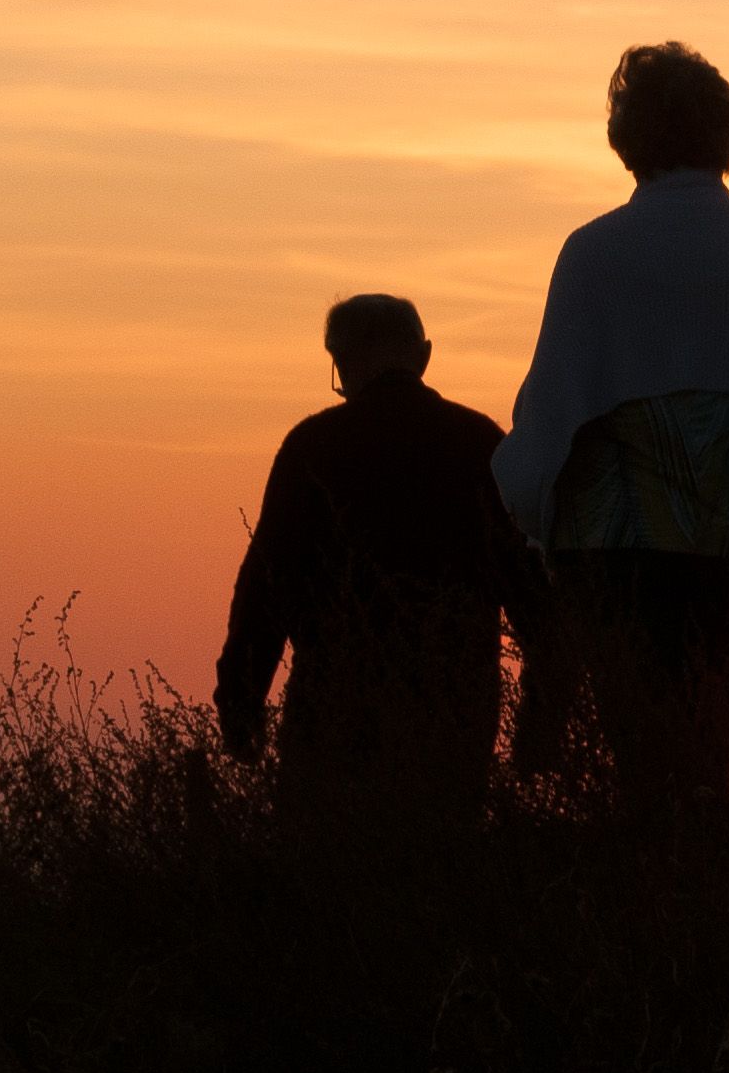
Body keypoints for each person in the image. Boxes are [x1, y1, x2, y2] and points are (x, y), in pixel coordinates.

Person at [493, 43, 729, 812]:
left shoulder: (594, 253)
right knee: (705, 726)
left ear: (627, 138)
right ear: (727, 135)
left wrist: (527, 503)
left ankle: (658, 896)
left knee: (639, 741)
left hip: (617, 549)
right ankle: (705, 887)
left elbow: (555, 404)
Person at [215, 292, 537, 815]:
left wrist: (241, 708)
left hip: (334, 709)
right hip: (455, 713)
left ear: (339, 361)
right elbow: (532, 596)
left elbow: (265, 589)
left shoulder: (313, 446)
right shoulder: (480, 444)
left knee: (327, 877)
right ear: (424, 355)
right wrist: (542, 723)